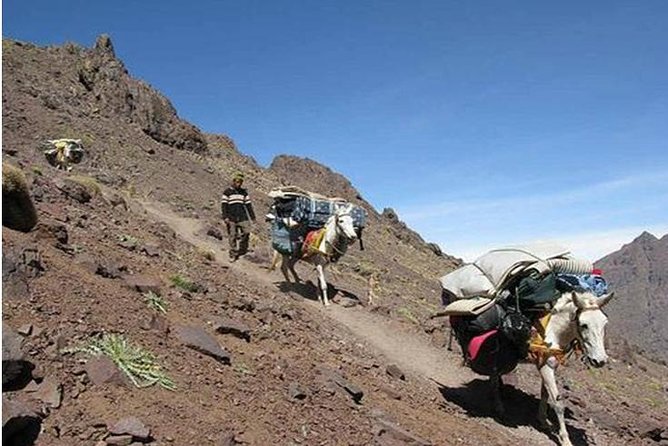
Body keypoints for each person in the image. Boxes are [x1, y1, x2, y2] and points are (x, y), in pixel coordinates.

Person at [221, 172, 256, 261]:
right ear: (233, 181)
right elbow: (224, 206)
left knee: (247, 232)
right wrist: (225, 217)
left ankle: (242, 248)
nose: (239, 183)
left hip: (242, 217)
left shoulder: (244, 192)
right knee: (232, 235)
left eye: (240, 182)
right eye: (237, 182)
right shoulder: (227, 192)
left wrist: (253, 217)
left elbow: (248, 205)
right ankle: (233, 253)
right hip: (231, 217)